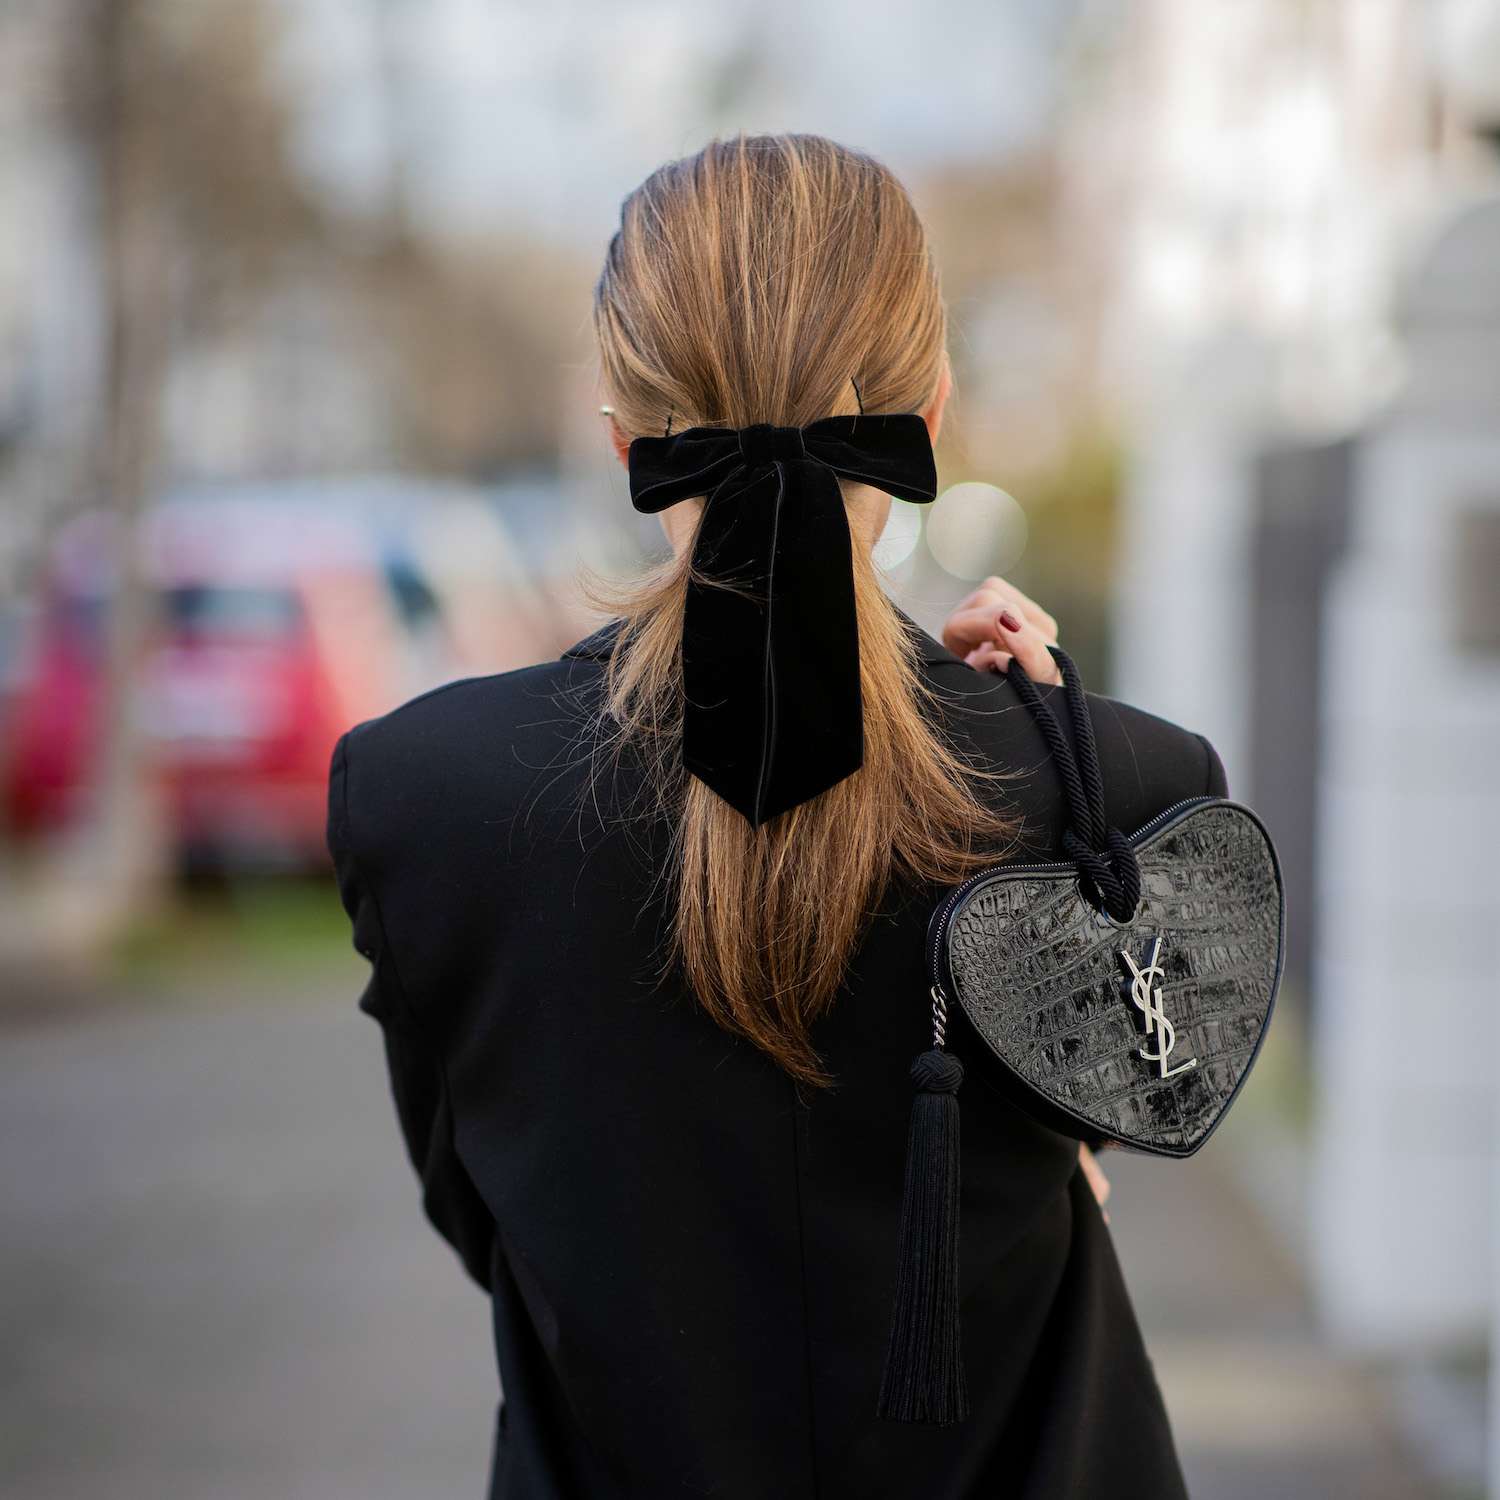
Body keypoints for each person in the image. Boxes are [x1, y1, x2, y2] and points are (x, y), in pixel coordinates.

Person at [327, 132, 1225, 1500]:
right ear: (932, 414)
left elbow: (490, 1216)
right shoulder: (1118, 797)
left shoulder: (425, 802)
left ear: (622, 434)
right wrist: (1042, 745)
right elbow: (1131, 1112)